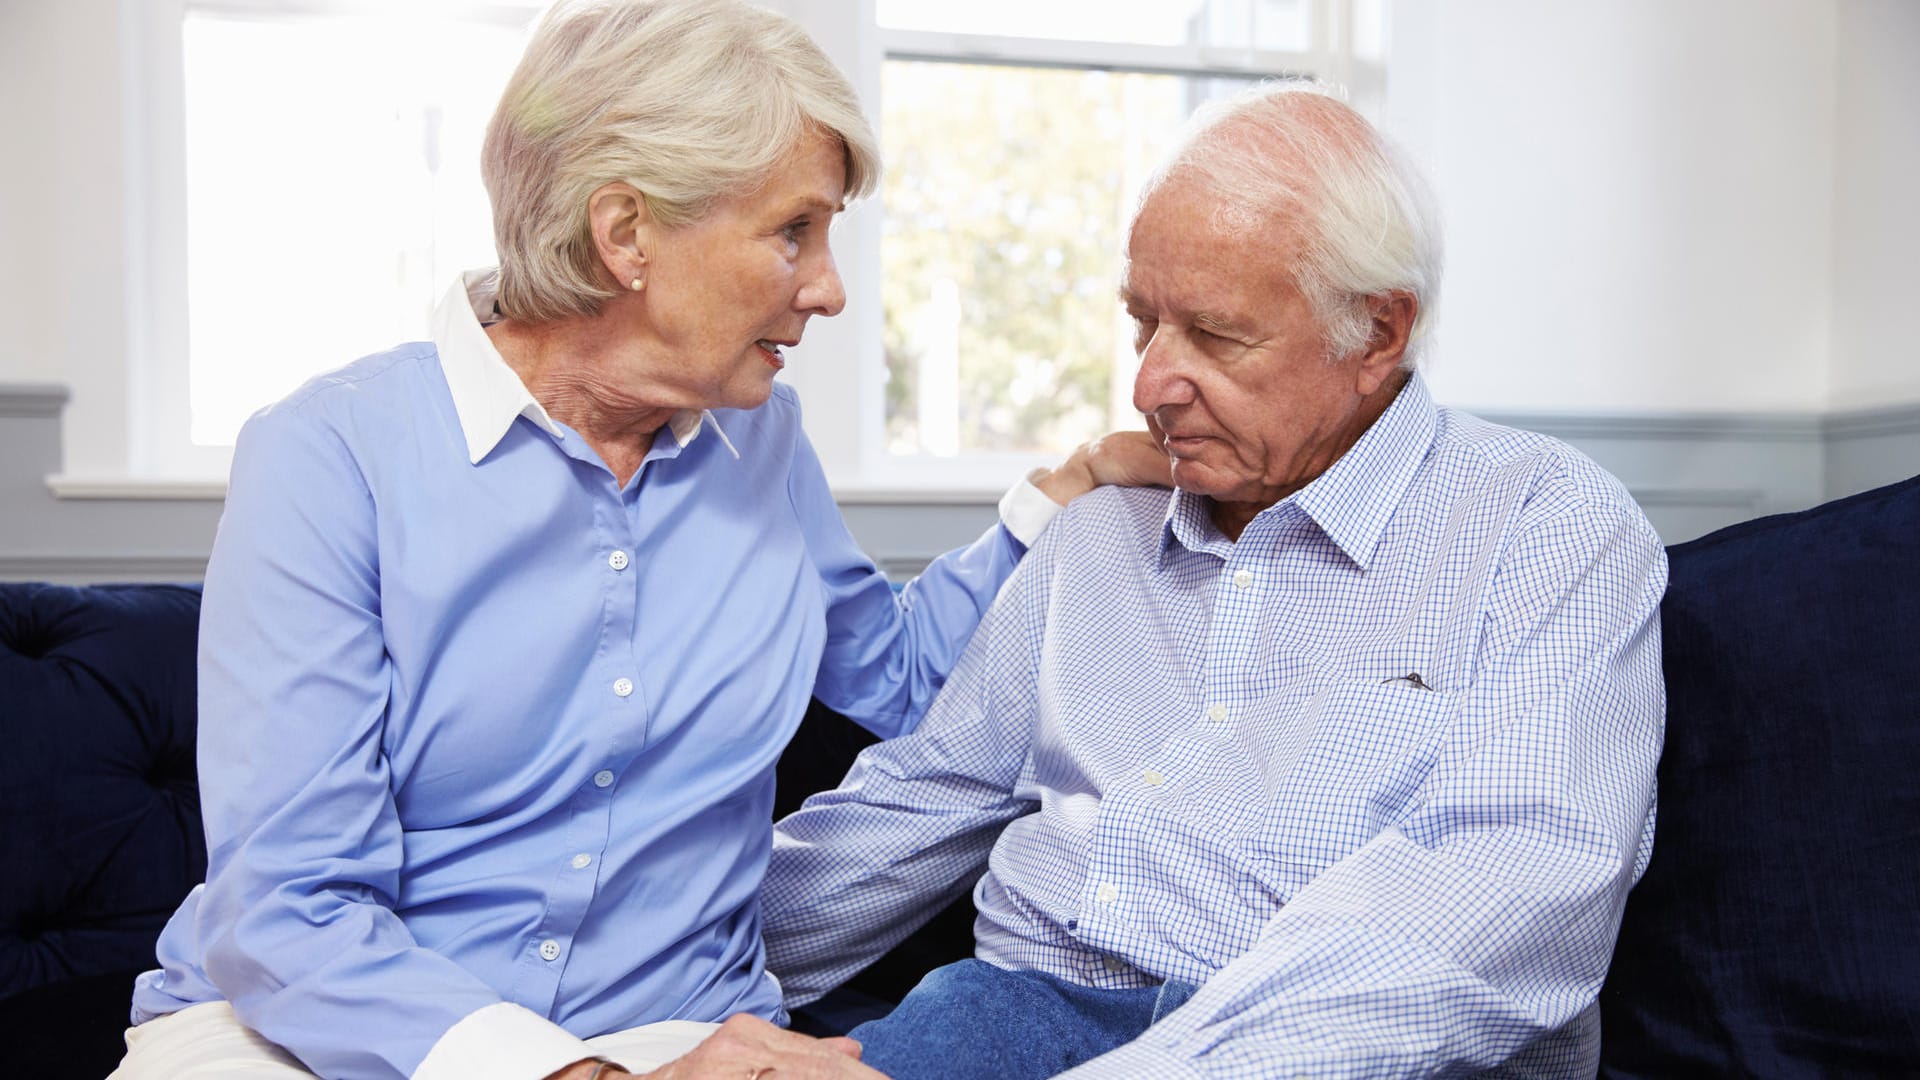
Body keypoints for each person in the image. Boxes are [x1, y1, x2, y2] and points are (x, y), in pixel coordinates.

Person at [109, 2, 1165, 1078]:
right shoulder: (331, 457)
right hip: (312, 1033)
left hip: (669, 1028)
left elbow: (893, 676)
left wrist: (1061, 497)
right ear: (626, 236)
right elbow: (292, 907)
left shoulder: (762, 443)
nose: (831, 288)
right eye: (793, 230)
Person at [761, 81, 1669, 1079]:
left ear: (1378, 332)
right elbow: (918, 807)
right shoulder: (1096, 538)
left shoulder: (1545, 527)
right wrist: (641, 1006)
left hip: (1322, 1049)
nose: (1150, 384)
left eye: (1218, 336)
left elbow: (1505, 899)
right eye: (1142, 324)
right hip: (1005, 1015)